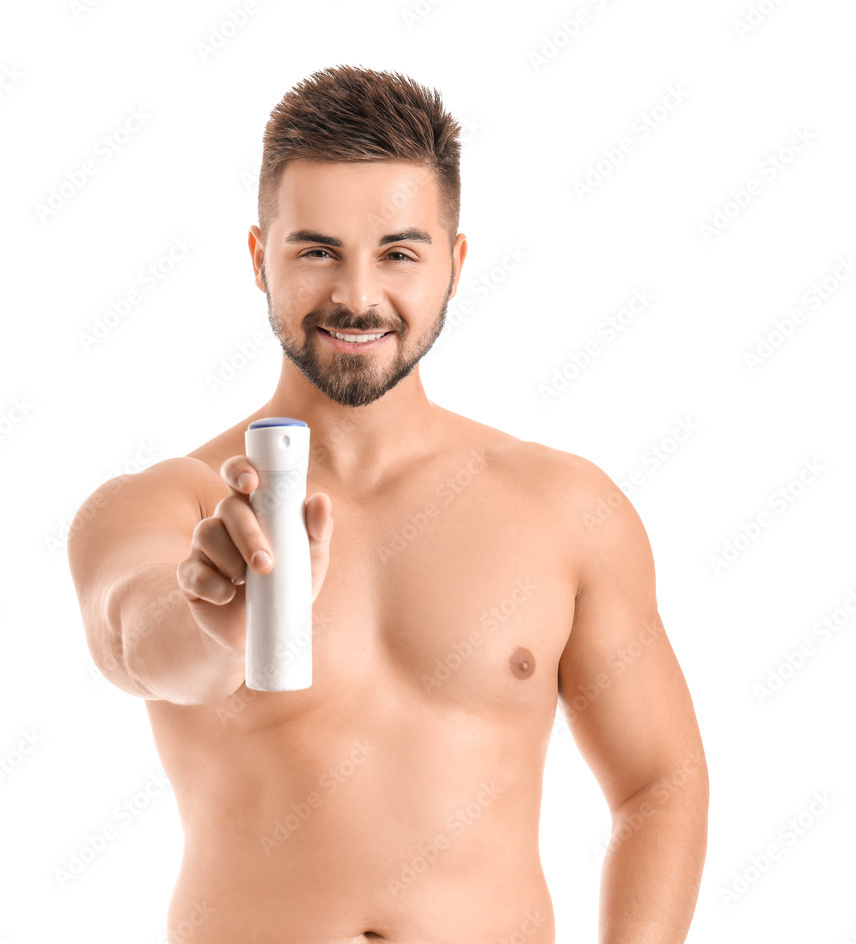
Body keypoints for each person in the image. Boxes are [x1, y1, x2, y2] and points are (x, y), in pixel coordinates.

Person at [67, 64, 708, 944]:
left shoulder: (567, 510)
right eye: (316, 250)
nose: (359, 297)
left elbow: (659, 782)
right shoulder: (167, 505)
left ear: (454, 262)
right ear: (261, 258)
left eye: (399, 252)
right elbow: (134, 642)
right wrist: (213, 620)